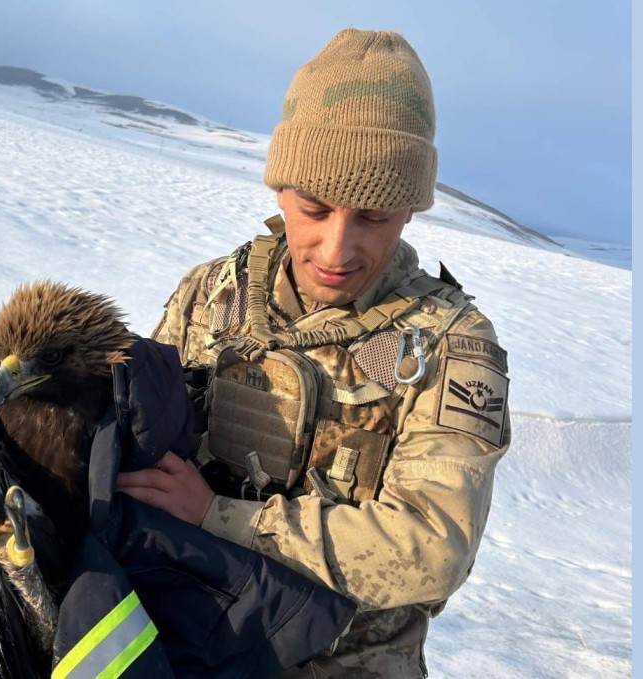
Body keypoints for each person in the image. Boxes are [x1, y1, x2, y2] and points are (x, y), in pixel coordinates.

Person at [117, 28, 511, 677]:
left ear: (410, 210)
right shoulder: (212, 293)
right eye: (315, 208)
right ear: (280, 189)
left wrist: (222, 517)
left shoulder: (448, 345)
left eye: (374, 217)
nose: (337, 248)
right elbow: (139, 448)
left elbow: (432, 548)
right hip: (188, 647)